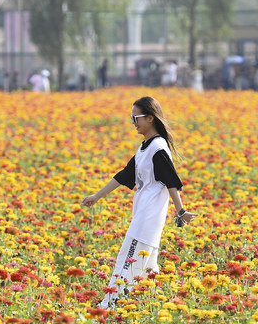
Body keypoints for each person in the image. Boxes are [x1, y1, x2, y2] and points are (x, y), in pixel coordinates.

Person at [81, 96, 197, 309]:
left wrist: (181, 210)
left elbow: (171, 181)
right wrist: (96, 196)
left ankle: (109, 306)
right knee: (148, 269)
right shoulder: (145, 147)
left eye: (136, 118)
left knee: (127, 260)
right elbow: (125, 174)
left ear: (150, 118)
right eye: (131, 118)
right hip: (144, 214)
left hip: (148, 217)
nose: (134, 123)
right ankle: (157, 308)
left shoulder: (158, 148)